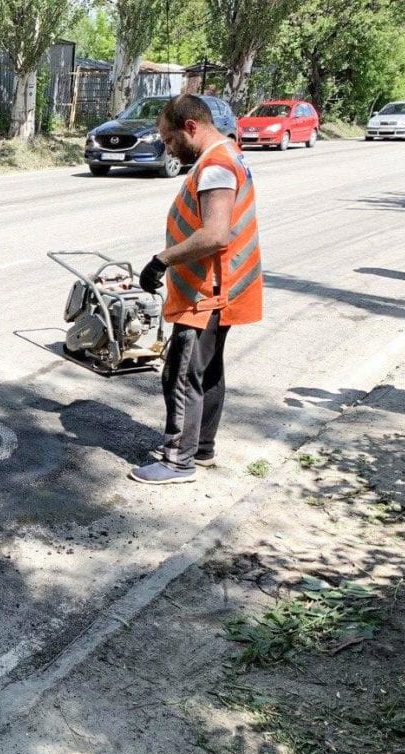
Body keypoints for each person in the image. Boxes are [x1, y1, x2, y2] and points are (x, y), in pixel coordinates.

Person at [129, 94, 264, 485]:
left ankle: (177, 461)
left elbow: (215, 234)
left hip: (208, 291)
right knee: (207, 371)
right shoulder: (227, 154)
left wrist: (162, 260)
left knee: (182, 372)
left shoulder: (216, 165)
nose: (168, 147)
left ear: (191, 127)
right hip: (222, 287)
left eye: (170, 139)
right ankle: (201, 448)